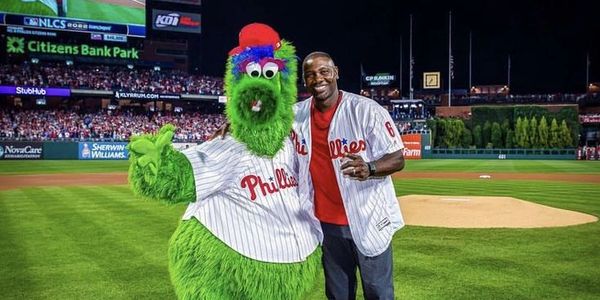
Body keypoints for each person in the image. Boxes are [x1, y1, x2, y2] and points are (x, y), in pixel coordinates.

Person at [292, 51, 406, 299]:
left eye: (324, 71)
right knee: (338, 294)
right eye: (310, 74)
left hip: (368, 219)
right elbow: (260, 127)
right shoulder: (295, 116)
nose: (318, 78)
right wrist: (233, 125)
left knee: (378, 293)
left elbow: (398, 158)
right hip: (327, 225)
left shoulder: (366, 110)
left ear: (336, 73)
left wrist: (371, 168)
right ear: (304, 80)